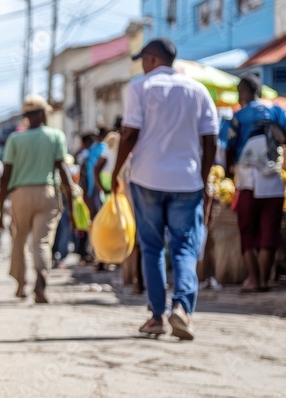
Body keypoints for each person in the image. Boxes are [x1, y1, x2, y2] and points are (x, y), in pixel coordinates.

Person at [112, 38, 217, 340]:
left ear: (153, 59)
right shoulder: (198, 90)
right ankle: (182, 308)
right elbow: (210, 139)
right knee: (184, 246)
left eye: (144, 59)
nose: (142, 65)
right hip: (187, 181)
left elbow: (130, 134)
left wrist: (116, 171)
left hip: (147, 178)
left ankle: (157, 316)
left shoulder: (139, 87)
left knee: (152, 246)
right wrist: (204, 177)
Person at [0, 95, 75, 304]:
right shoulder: (55, 136)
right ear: (42, 114)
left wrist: (1, 203)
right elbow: (63, 169)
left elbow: (5, 175)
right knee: (41, 241)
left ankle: (21, 285)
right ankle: (41, 277)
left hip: (20, 194)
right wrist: (72, 199)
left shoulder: (15, 139)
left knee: (19, 239)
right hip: (46, 192)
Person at [226, 75, 286, 294]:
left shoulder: (239, 117)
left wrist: (228, 172)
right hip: (274, 181)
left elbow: (230, 147)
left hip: (248, 182)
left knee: (248, 231)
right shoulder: (277, 111)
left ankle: (253, 279)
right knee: (270, 230)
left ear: (243, 91)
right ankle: (264, 280)